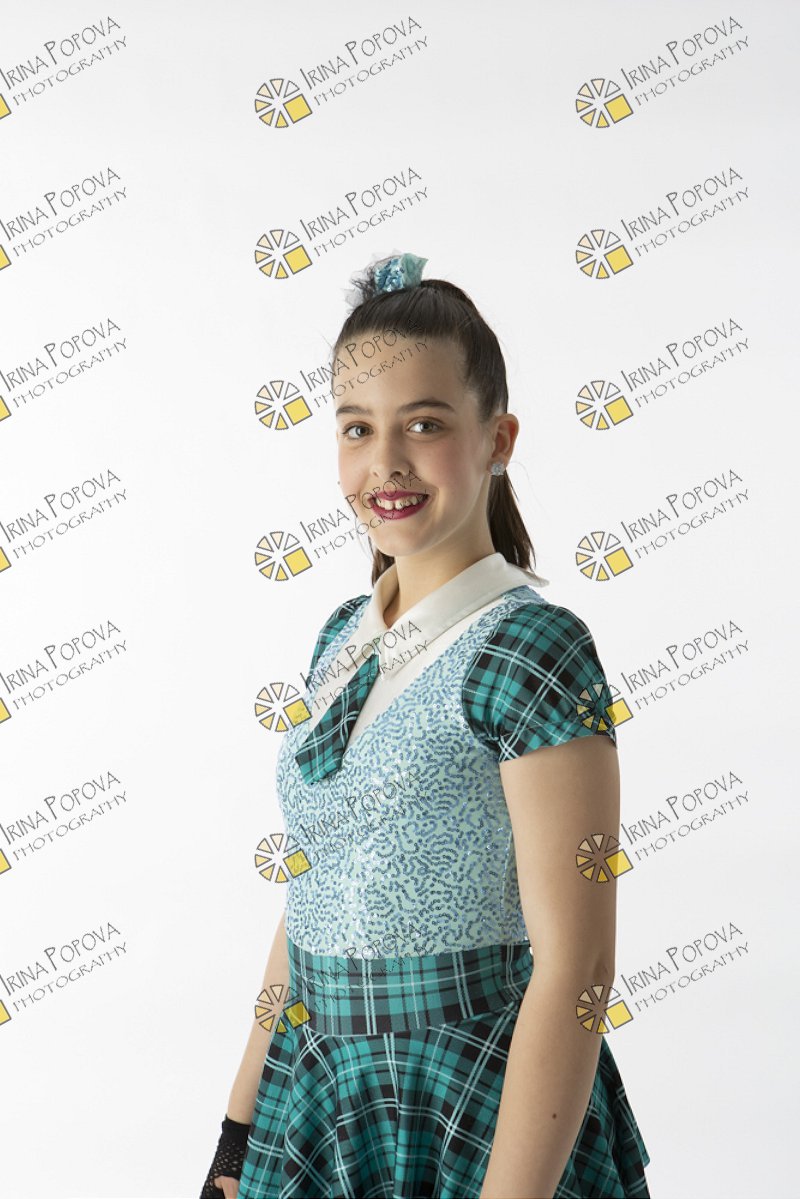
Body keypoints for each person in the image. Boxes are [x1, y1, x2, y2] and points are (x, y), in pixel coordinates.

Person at [200, 252, 651, 1199]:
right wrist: (236, 1138)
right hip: (320, 1098)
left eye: (426, 424)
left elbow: (579, 966)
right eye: (357, 428)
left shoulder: (532, 649)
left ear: (499, 438)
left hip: (478, 1108)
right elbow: (309, 897)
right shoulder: (341, 635)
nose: (386, 463)